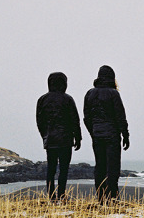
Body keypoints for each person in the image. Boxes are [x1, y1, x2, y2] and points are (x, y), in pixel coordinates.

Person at [83, 65, 129, 202]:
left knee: (100, 166)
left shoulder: (90, 93)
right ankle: (113, 197)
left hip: (97, 135)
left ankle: (101, 198)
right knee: (113, 168)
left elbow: (86, 118)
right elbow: (120, 116)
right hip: (112, 135)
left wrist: (93, 132)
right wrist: (125, 134)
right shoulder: (113, 93)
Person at [36, 72, 81, 201]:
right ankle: (61, 195)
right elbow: (74, 120)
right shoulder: (67, 99)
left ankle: (51, 196)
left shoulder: (42, 99)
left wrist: (44, 135)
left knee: (51, 169)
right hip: (66, 139)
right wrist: (78, 137)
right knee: (63, 169)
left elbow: (39, 121)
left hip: (50, 139)